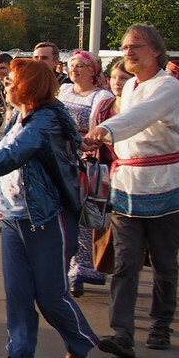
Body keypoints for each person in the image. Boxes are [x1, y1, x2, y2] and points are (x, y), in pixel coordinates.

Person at [0, 59, 100, 358]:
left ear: (29, 86)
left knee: (49, 296)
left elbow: (12, 156)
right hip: (14, 221)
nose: (5, 83)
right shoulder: (22, 117)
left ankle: (80, 342)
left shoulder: (44, 120)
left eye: (12, 80)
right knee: (17, 296)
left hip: (48, 219)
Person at [82, 24, 179, 357]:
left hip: (164, 182)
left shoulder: (168, 86)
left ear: (156, 50)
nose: (128, 52)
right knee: (125, 262)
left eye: (136, 46)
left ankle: (160, 324)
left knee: (165, 262)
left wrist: (103, 130)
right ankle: (122, 332)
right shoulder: (131, 88)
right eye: (125, 47)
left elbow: (142, 116)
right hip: (127, 186)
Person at [58, 50, 115, 296]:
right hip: (61, 155)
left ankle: (80, 270)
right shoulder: (64, 91)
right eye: (72, 65)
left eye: (81, 66)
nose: (75, 70)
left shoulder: (102, 96)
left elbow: (101, 129)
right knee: (62, 212)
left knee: (84, 215)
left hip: (86, 158)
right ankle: (64, 266)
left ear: (93, 71)